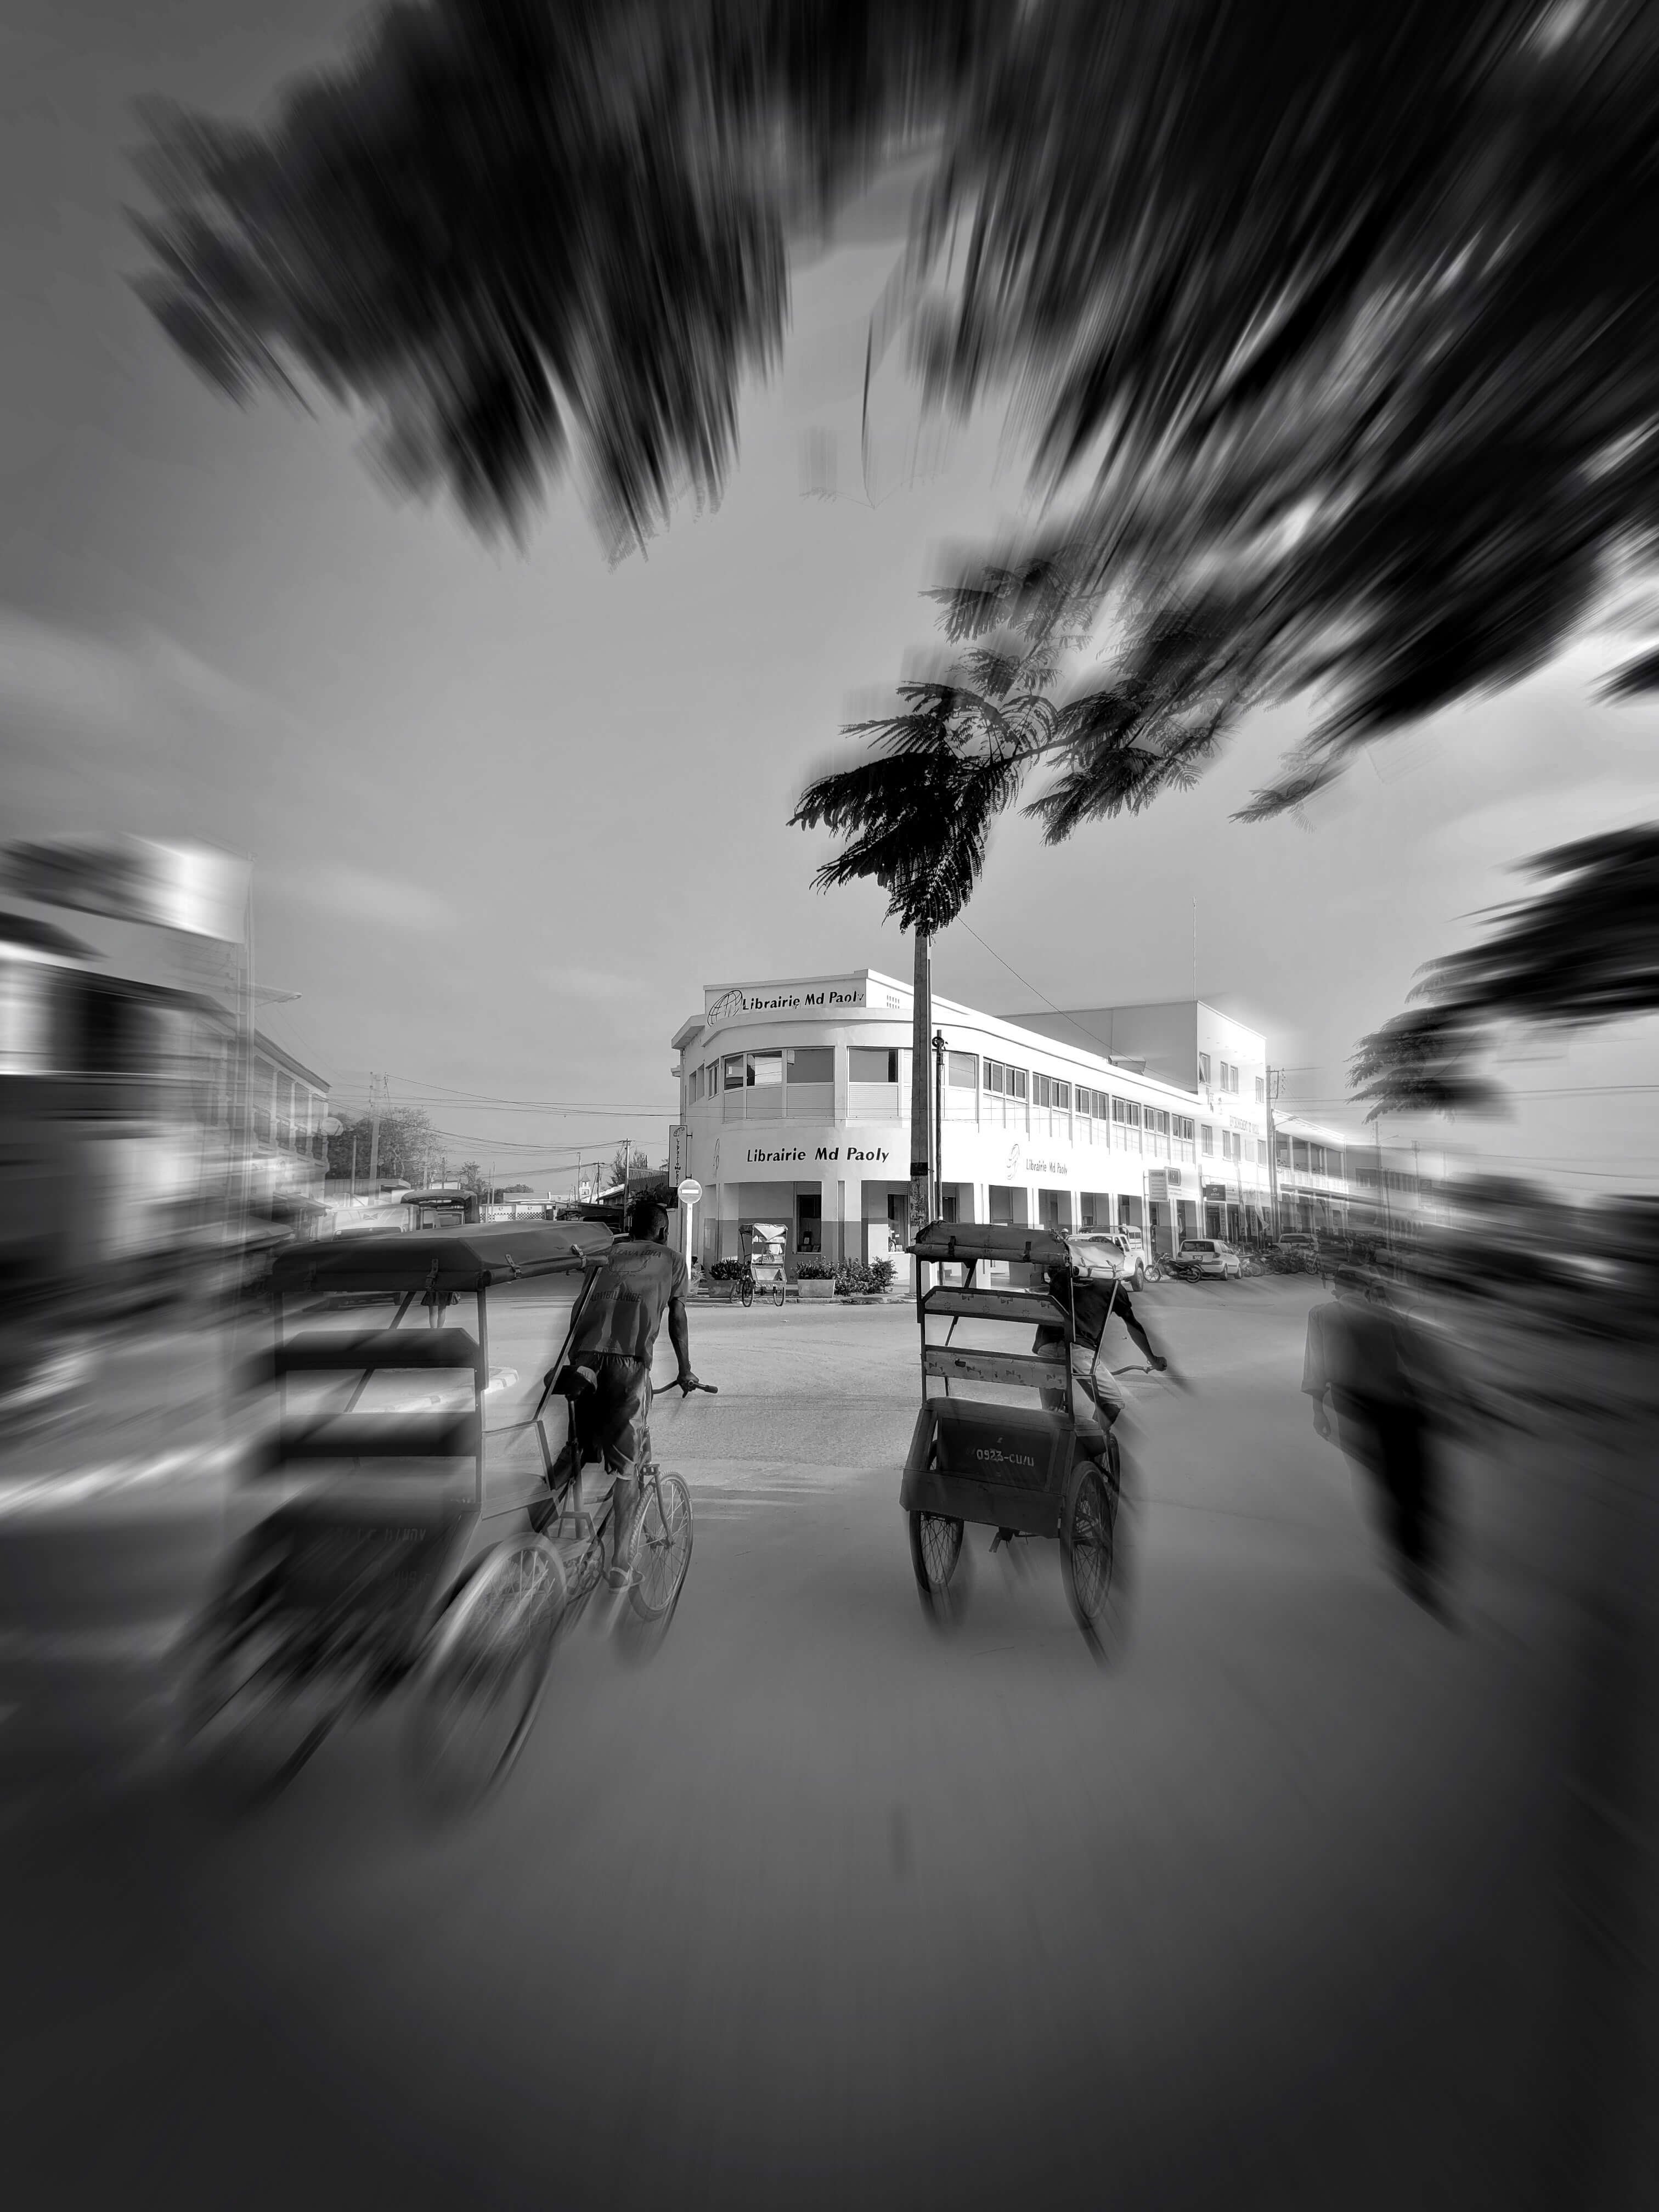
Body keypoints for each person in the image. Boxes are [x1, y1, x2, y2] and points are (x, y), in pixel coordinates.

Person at [541, 1194, 698, 1585]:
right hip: (627, 1364)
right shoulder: (673, 1261)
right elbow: (677, 1316)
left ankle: (535, 1523)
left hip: (584, 1359)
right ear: (662, 1230)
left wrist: (578, 1359)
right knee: (627, 1471)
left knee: (577, 1452)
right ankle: (621, 1563)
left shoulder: (605, 1254)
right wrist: (686, 1371)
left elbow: (580, 1308)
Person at [1302, 1265, 1453, 1611]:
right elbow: (1419, 1361)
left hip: (1354, 1406)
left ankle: (1405, 1558)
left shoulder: (1321, 1314)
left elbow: (1317, 1366)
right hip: (1402, 1405)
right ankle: (1419, 1552)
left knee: (1379, 1480)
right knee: (1412, 1483)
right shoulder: (1386, 1315)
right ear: (1366, 1289)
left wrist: (1318, 1411)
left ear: (1336, 1289)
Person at [1037, 1252, 1170, 1431]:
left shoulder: (1062, 1277)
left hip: (1045, 1347)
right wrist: (1153, 1360)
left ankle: (1056, 1447)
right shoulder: (1113, 1287)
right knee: (1113, 1402)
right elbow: (1133, 1326)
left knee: (1053, 1412)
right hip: (1079, 1351)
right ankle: (1091, 1442)